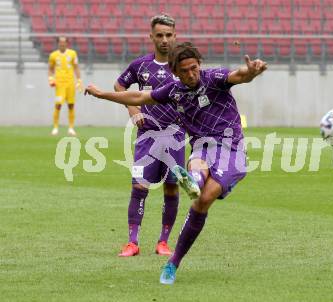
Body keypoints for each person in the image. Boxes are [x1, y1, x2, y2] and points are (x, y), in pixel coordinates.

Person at [85, 42, 267, 284]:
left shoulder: (214, 78)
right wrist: (103, 94)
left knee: (207, 196)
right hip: (202, 145)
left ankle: (192, 196)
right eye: (184, 71)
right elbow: (139, 96)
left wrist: (252, 72)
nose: (191, 74)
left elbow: (239, 75)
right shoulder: (174, 91)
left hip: (231, 148)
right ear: (176, 72)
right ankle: (174, 258)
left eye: (194, 68)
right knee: (199, 186)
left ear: (199, 65)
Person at [114, 14, 185, 257]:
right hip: (147, 138)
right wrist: (133, 111)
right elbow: (119, 86)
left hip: (175, 138)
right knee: (139, 187)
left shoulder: (184, 66)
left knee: (172, 189)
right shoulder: (140, 66)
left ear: (175, 36)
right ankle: (132, 243)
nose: (164, 40)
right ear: (151, 37)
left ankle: (163, 242)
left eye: (169, 35)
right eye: (160, 35)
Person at [48, 36, 82, 136]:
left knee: (71, 105)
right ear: (58, 43)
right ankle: (55, 128)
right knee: (58, 104)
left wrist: (79, 80)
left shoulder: (72, 53)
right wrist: (50, 79)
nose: (62, 44)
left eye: (64, 42)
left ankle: (71, 128)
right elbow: (50, 69)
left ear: (67, 43)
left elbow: (76, 67)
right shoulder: (53, 55)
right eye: (60, 42)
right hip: (59, 83)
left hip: (70, 82)